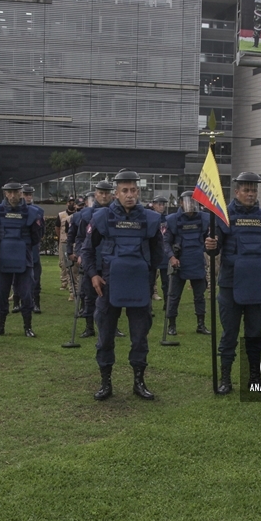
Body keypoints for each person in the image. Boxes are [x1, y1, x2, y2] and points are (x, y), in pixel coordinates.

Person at [81, 170, 164, 401]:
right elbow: (87, 251)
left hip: (138, 286)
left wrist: (149, 279)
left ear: (138, 191)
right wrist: (93, 275)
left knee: (140, 337)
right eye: (124, 191)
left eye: (133, 190)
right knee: (105, 336)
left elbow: (158, 253)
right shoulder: (101, 217)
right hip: (107, 285)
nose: (130, 195)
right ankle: (105, 382)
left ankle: (139, 381)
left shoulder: (150, 219)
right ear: (116, 193)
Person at [204, 172, 261, 394]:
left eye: (254, 190)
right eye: (246, 190)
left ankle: (255, 377)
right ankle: (226, 378)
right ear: (236, 192)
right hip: (230, 284)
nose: (250, 194)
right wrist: (210, 245)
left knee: (255, 333)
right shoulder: (222, 215)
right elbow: (215, 247)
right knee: (229, 333)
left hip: (257, 283)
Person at [0, 180, 44, 338]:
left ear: (21, 193)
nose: (12, 195)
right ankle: (0, 327)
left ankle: (27, 327)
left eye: (16, 192)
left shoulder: (32, 213)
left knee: (26, 294)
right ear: (5, 193)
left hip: (24, 258)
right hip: (3, 259)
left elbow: (36, 238)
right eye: (9, 192)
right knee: (1, 294)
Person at [70, 182, 115, 338]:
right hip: (91, 260)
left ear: (112, 195)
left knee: (112, 296)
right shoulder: (86, 214)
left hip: (110, 261)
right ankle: (89, 327)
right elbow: (80, 237)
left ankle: (112, 327)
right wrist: (80, 254)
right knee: (89, 296)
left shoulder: (118, 213)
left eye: (107, 193)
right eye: (101, 193)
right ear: (96, 194)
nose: (104, 196)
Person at [163, 191, 211, 336]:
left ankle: (201, 324)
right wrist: (171, 257)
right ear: (181, 203)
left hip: (197, 261)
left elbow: (207, 237)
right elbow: (165, 242)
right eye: (187, 201)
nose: (190, 204)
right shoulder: (172, 220)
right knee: (174, 295)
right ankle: (172, 325)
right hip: (179, 262)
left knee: (199, 296)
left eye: (193, 201)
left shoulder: (204, 218)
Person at [18, 184, 45, 314]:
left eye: (30, 194)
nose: (28, 197)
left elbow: (41, 231)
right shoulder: (14, 210)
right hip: (18, 248)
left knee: (36, 277)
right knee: (16, 275)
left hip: (32, 248)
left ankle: (36, 302)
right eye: (25, 194)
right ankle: (17, 302)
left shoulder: (38, 211)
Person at [148, 196, 170, 302]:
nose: (161, 207)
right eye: (159, 204)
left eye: (163, 204)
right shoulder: (150, 218)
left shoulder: (168, 219)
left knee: (166, 282)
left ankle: (167, 304)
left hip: (165, 254)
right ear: (154, 205)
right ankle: (148, 306)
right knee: (150, 282)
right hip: (153, 254)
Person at [57, 195, 77, 294]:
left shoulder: (78, 215)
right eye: (70, 202)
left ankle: (73, 287)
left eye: (73, 202)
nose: (71, 204)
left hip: (74, 242)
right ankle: (64, 282)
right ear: (67, 203)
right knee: (63, 263)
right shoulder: (61, 215)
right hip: (63, 241)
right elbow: (57, 228)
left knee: (73, 266)